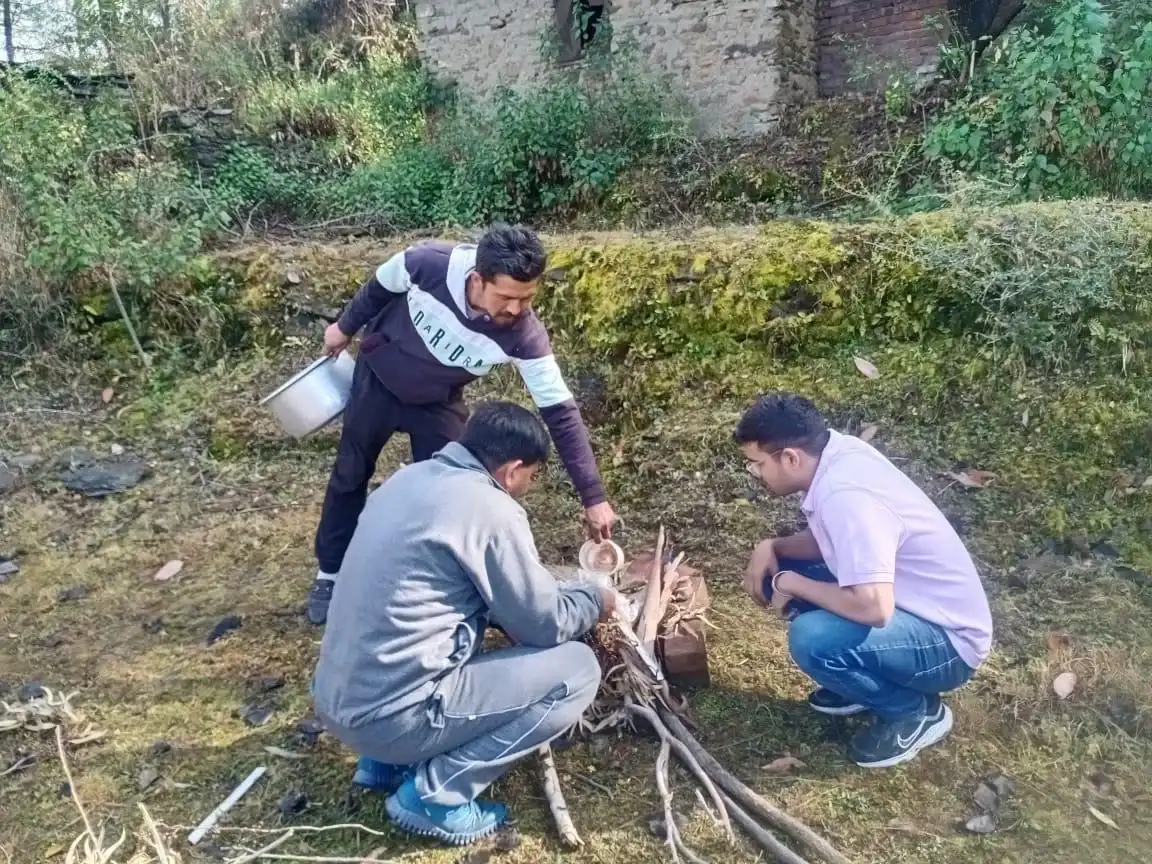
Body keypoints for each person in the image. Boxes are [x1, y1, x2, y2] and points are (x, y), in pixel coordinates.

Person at [311, 401, 616, 845]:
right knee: (578, 670)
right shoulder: (491, 509)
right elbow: (544, 625)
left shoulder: (406, 479)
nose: (527, 487)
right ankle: (437, 796)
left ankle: (385, 765)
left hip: (335, 699)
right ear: (513, 470)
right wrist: (596, 599)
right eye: (532, 476)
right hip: (391, 719)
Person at [307, 223, 617, 625]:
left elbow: (561, 412)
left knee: (456, 493)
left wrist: (593, 497)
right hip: (377, 379)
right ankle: (330, 574)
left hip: (437, 400)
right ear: (477, 279)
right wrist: (344, 327)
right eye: (506, 297)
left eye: (526, 298)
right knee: (350, 473)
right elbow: (380, 287)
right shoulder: (427, 264)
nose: (515, 309)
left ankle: (436, 581)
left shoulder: (524, 336)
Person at [734, 393, 993, 769]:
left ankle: (914, 713)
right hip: (914, 608)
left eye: (757, 464)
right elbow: (829, 541)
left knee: (812, 638)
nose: (755, 474)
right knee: (783, 567)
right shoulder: (837, 455)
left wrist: (793, 583)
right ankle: (862, 681)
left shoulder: (846, 497)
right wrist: (771, 547)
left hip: (948, 646)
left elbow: (874, 608)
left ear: (790, 458)